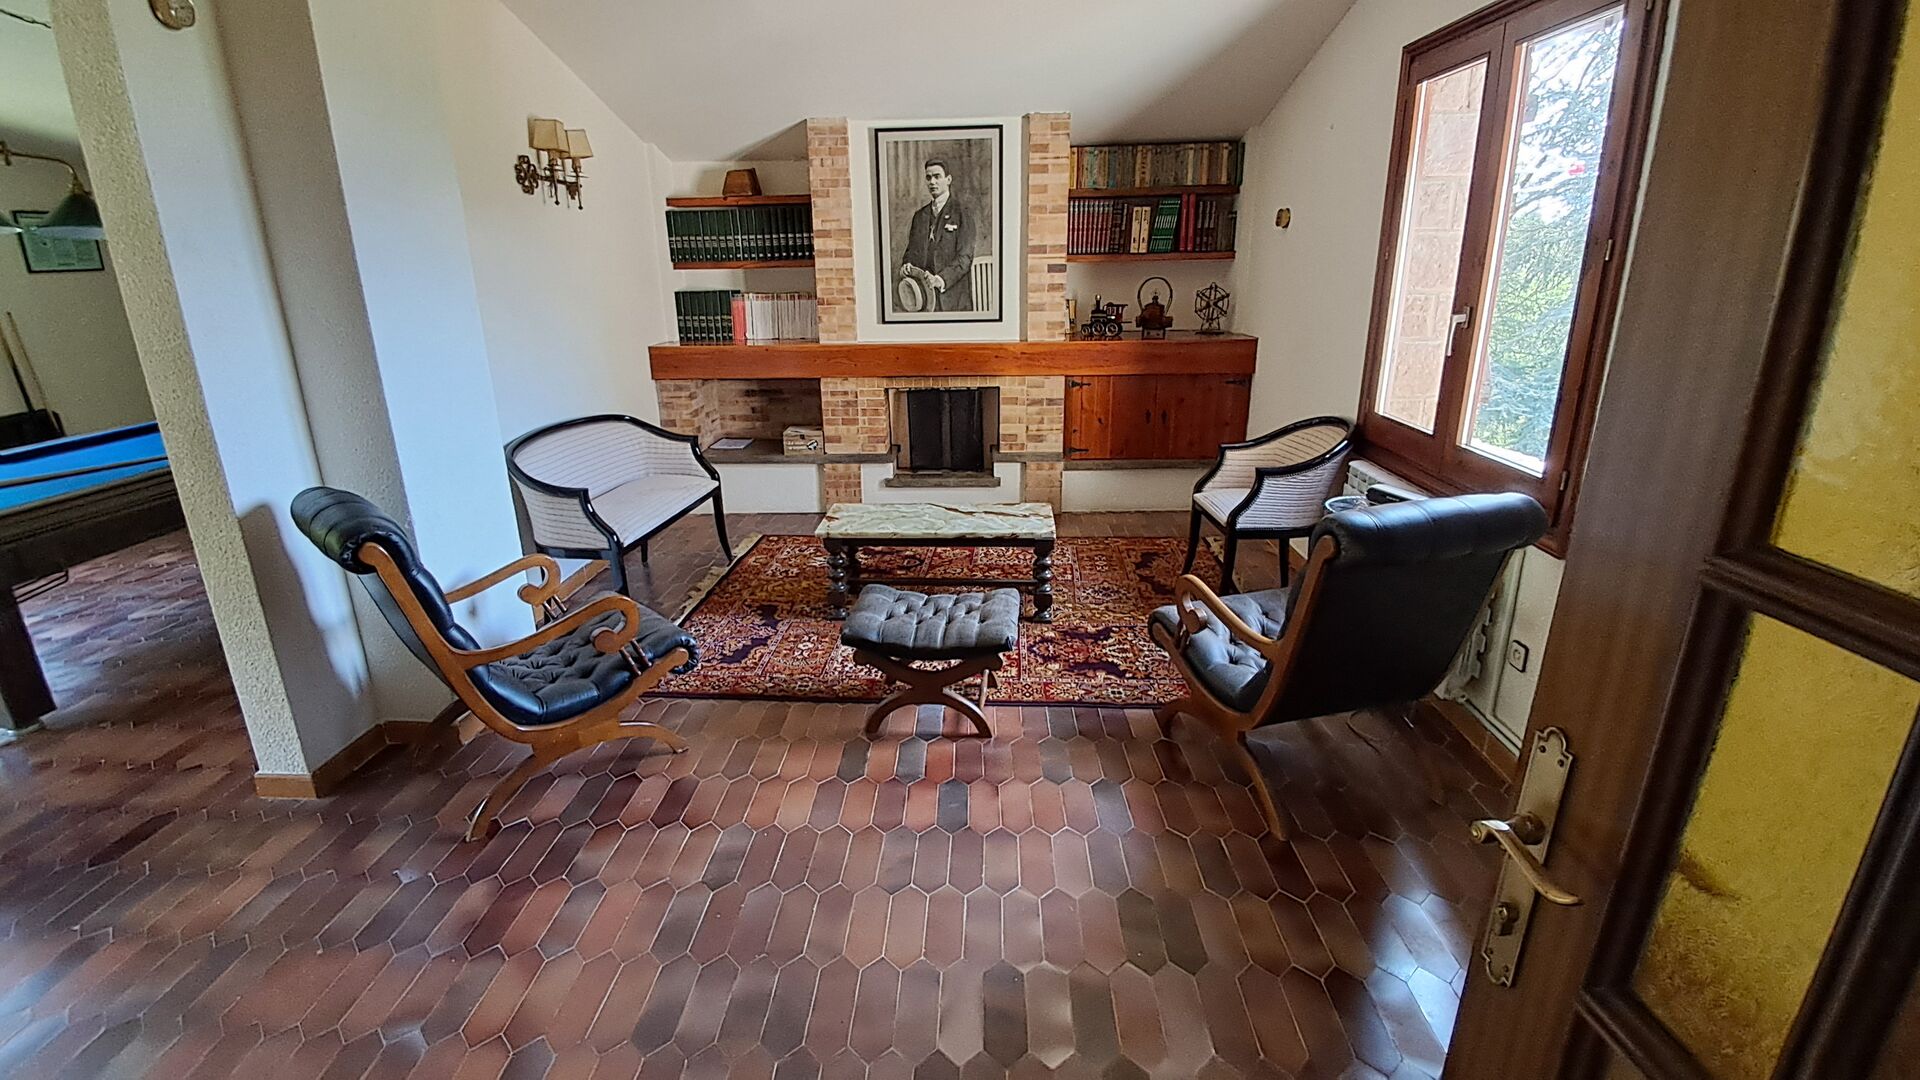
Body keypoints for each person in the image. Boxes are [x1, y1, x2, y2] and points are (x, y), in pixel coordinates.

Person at [899, 159, 974, 312]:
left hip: (952, 301)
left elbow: (965, 258)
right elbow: (911, 252)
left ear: (948, 179)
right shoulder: (919, 216)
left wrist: (940, 280)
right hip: (924, 300)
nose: (932, 182)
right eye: (928, 178)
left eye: (937, 176)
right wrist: (907, 265)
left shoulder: (962, 213)